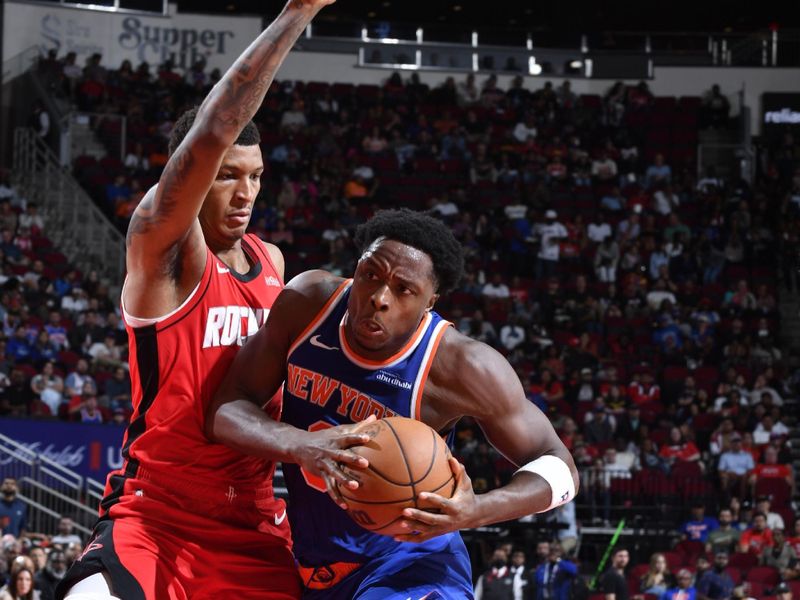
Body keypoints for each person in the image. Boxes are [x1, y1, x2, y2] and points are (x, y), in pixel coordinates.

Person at [55, 1, 337, 598]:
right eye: (228, 174)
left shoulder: (272, 264)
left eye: (256, 176)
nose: (246, 192)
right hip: (154, 517)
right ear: (195, 174)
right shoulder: (164, 248)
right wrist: (299, 12)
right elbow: (215, 127)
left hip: (250, 522)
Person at [210, 209, 579, 599]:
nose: (379, 298)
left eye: (403, 289)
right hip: (313, 565)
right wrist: (299, 445)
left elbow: (562, 470)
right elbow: (226, 408)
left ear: (429, 302)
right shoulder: (307, 303)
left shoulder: (462, 366)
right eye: (370, 275)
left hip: (414, 564)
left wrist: (478, 510)